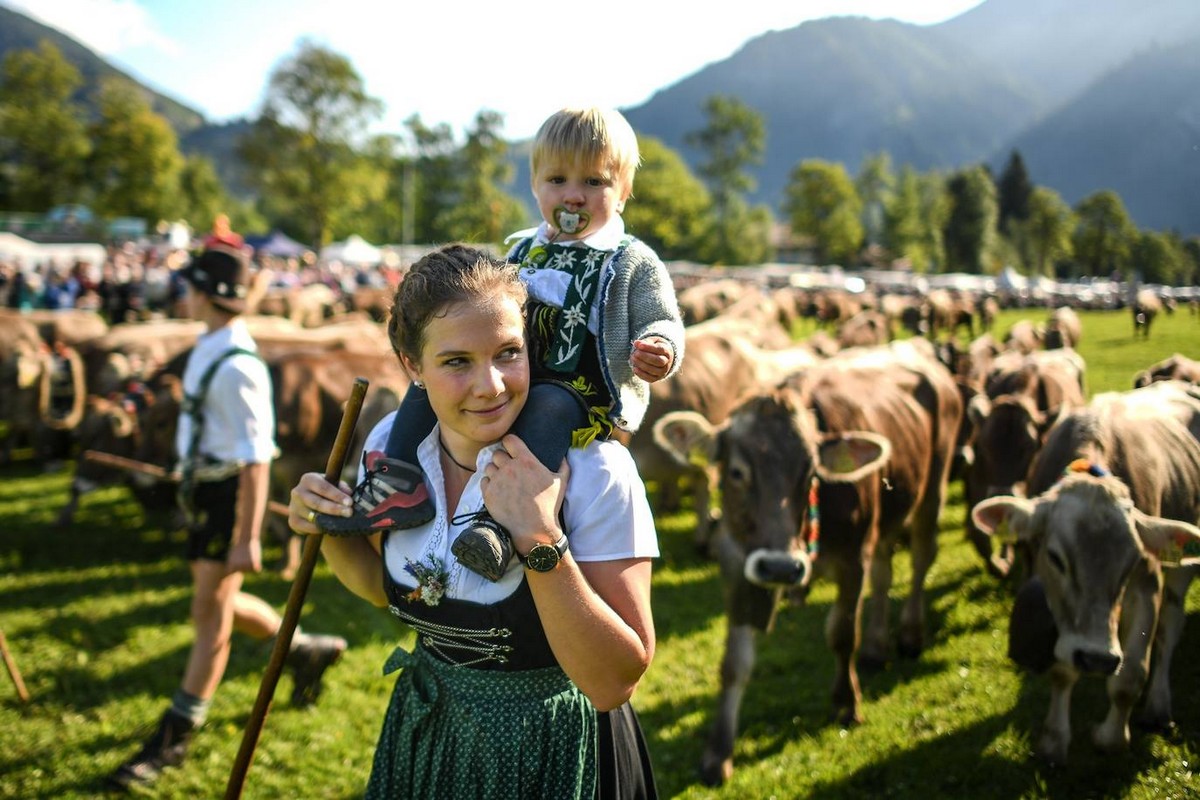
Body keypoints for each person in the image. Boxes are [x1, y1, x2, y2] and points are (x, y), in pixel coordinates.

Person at [289, 244, 659, 798]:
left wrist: (540, 537)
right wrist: (326, 527)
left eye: (508, 353)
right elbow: (383, 590)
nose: (492, 386)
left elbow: (612, 682)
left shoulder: (594, 470)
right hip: (430, 734)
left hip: (553, 749)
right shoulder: (394, 446)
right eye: (457, 361)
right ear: (412, 366)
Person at [317, 107, 684, 587]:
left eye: (595, 183)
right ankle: (398, 480)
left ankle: (498, 526)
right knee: (427, 388)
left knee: (549, 408)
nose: (574, 195)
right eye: (558, 179)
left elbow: (663, 316)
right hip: (516, 370)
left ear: (624, 192)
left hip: (583, 390)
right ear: (534, 185)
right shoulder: (521, 249)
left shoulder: (633, 260)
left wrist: (659, 345)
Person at [108, 243, 347, 791]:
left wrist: (246, 536)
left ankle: (177, 733)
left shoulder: (239, 364)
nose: (182, 297)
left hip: (226, 501)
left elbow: (256, 457)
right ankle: (306, 649)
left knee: (208, 619)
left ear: (202, 294)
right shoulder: (211, 344)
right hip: (204, 491)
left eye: (187, 288)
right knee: (213, 603)